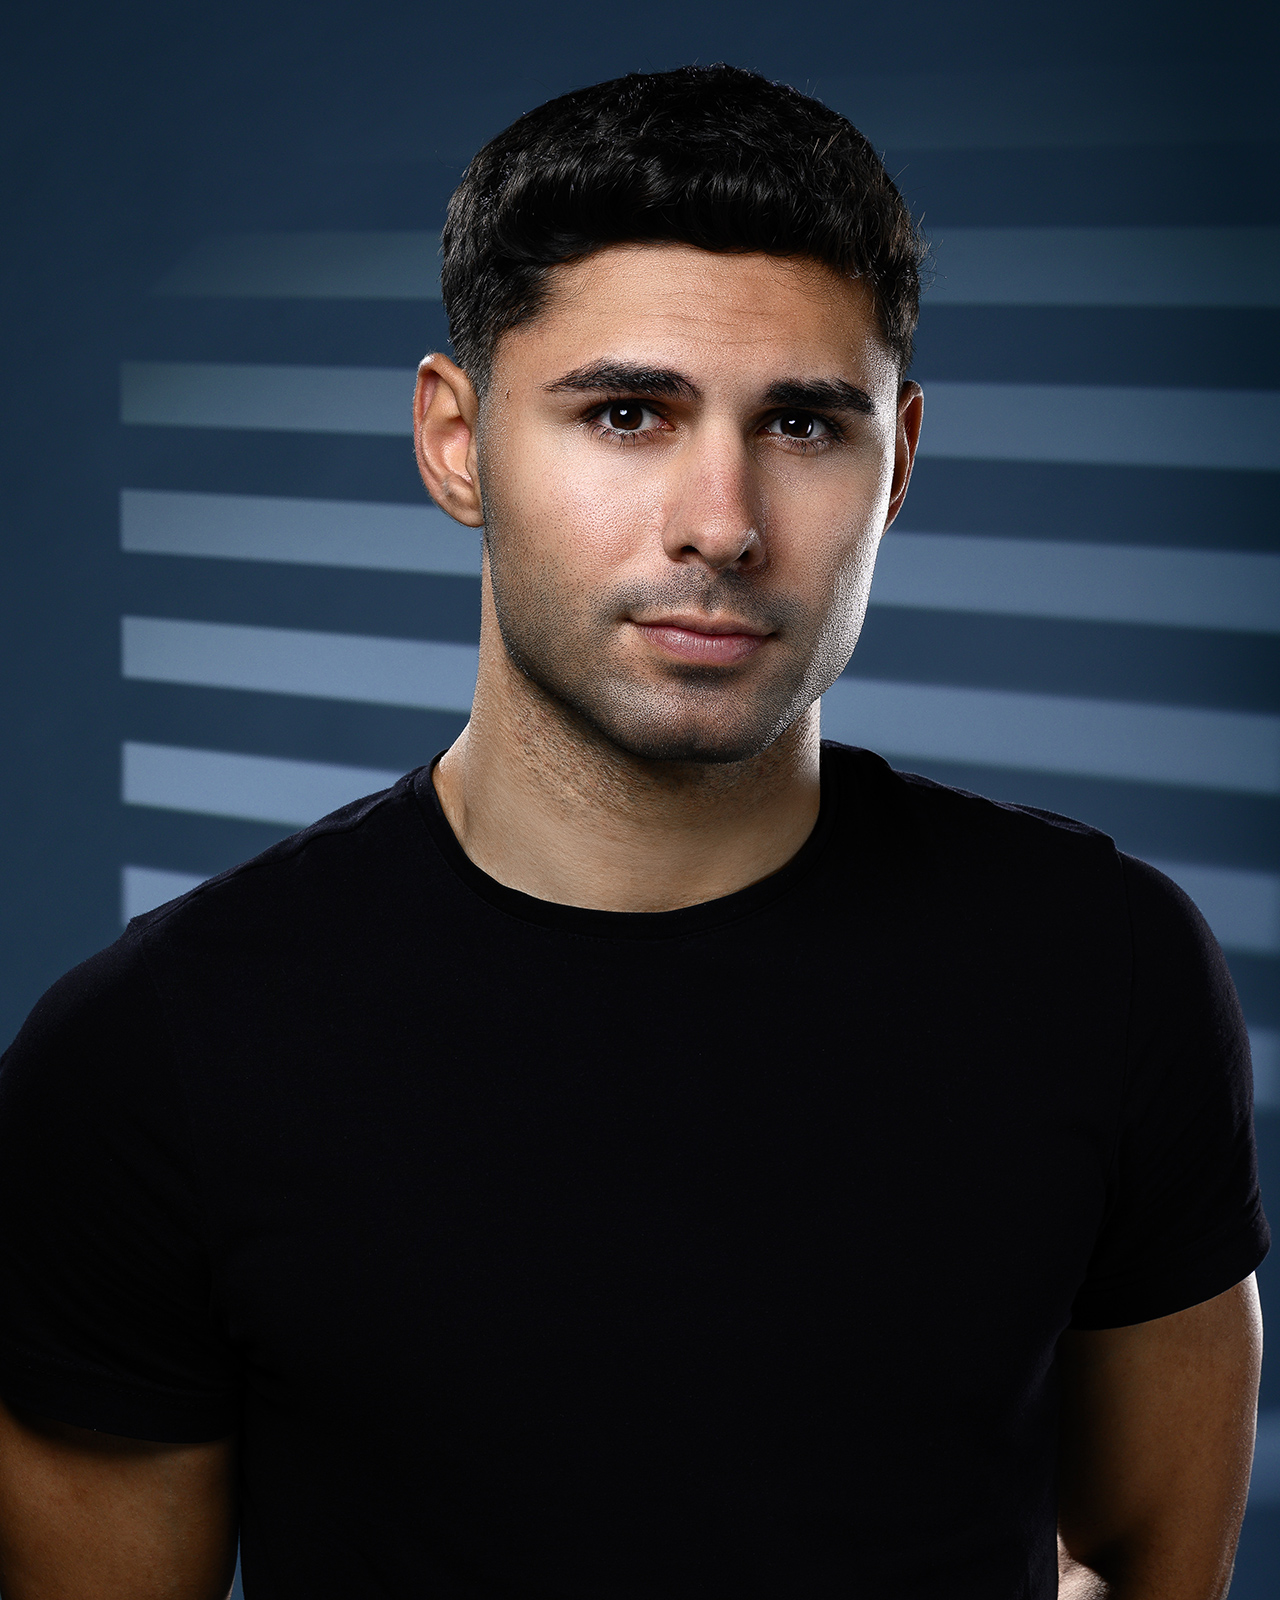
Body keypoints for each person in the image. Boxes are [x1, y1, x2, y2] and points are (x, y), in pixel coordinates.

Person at [0, 63, 1267, 1600]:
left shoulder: (1103, 968)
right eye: (626, 414)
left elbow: (1145, 1567)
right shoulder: (154, 1056)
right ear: (456, 441)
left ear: (898, 464)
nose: (721, 522)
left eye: (802, 423)